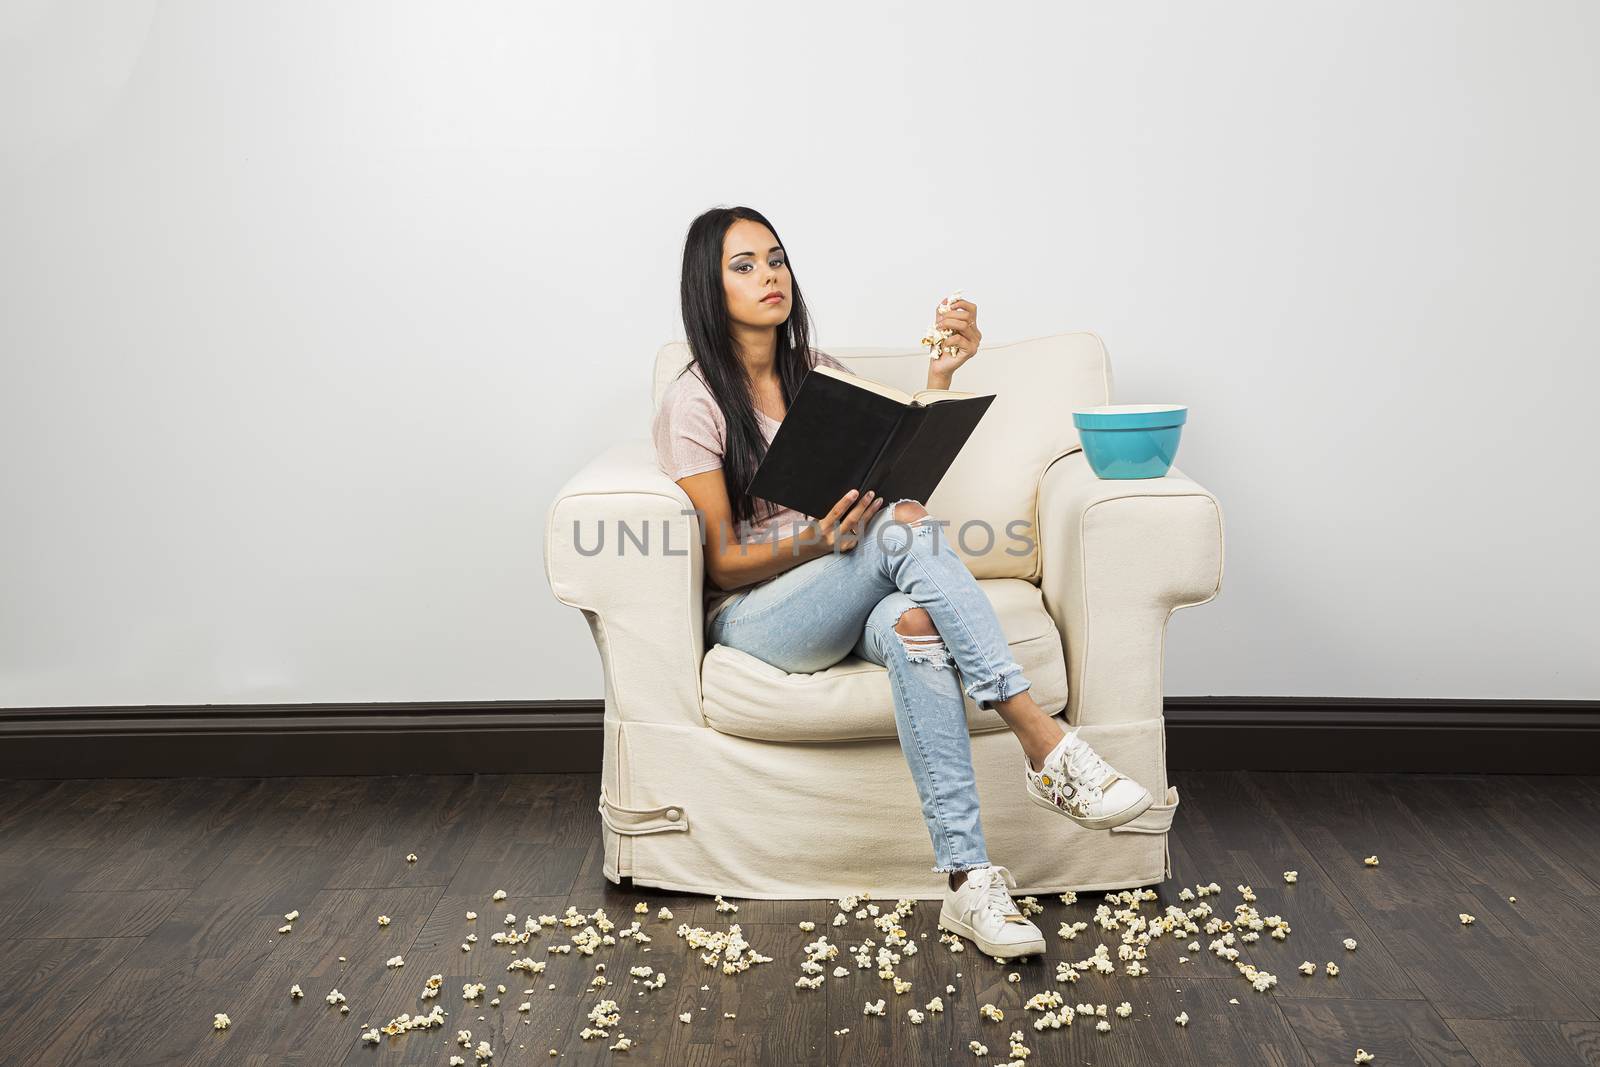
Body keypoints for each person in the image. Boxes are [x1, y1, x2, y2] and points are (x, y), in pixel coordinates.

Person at [650, 206, 1154, 959]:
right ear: (708, 287)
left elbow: (889, 451)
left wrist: (941, 375)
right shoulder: (694, 401)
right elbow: (721, 560)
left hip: (845, 592)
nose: (769, 277)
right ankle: (1044, 742)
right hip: (760, 614)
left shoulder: (815, 372)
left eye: (777, 259)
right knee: (903, 522)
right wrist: (821, 536)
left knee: (916, 619)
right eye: (745, 265)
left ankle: (968, 883)